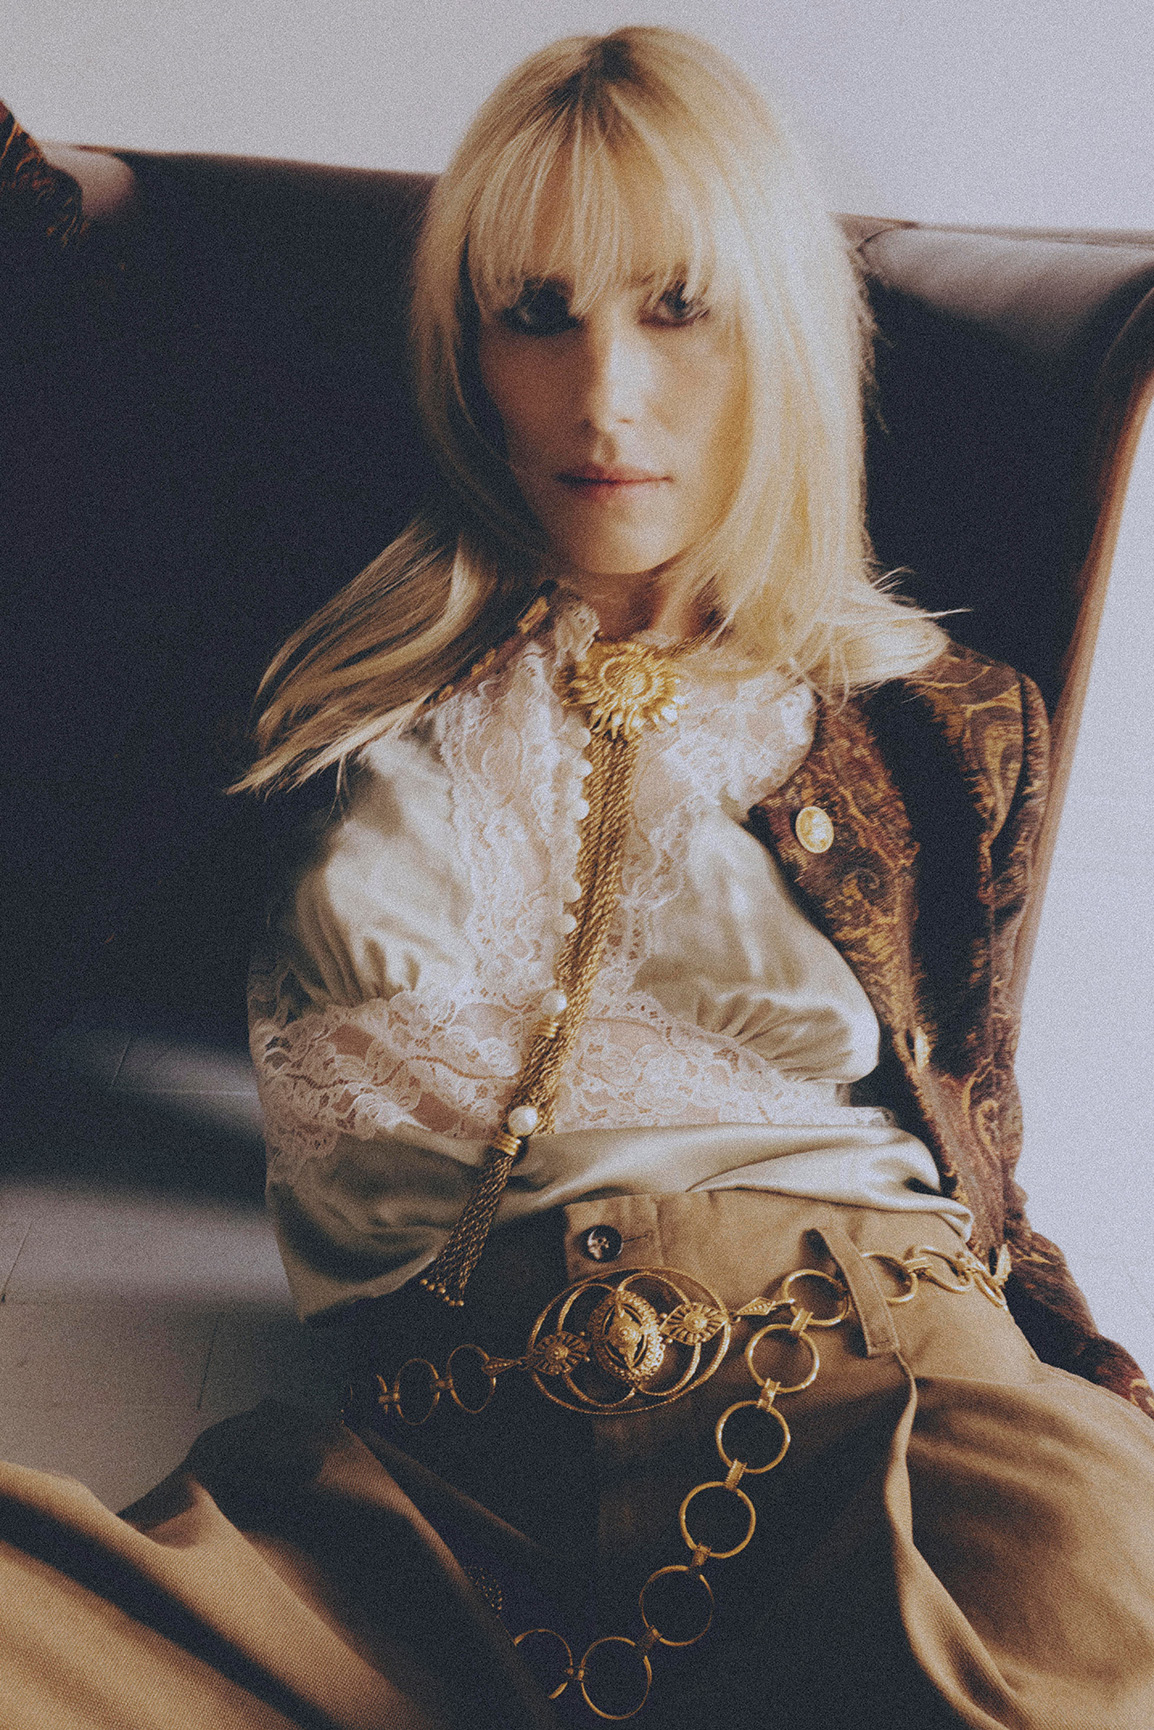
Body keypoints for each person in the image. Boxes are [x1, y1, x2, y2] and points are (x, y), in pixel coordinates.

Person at [3, 26, 1154, 1730]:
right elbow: (43, 264)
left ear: (779, 328)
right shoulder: (318, 641)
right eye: (535, 313)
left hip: (878, 1407)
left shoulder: (936, 724)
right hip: (430, 1501)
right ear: (462, 346)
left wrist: (1101, 1405)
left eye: (678, 307)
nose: (604, 394)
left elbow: (974, 1141)